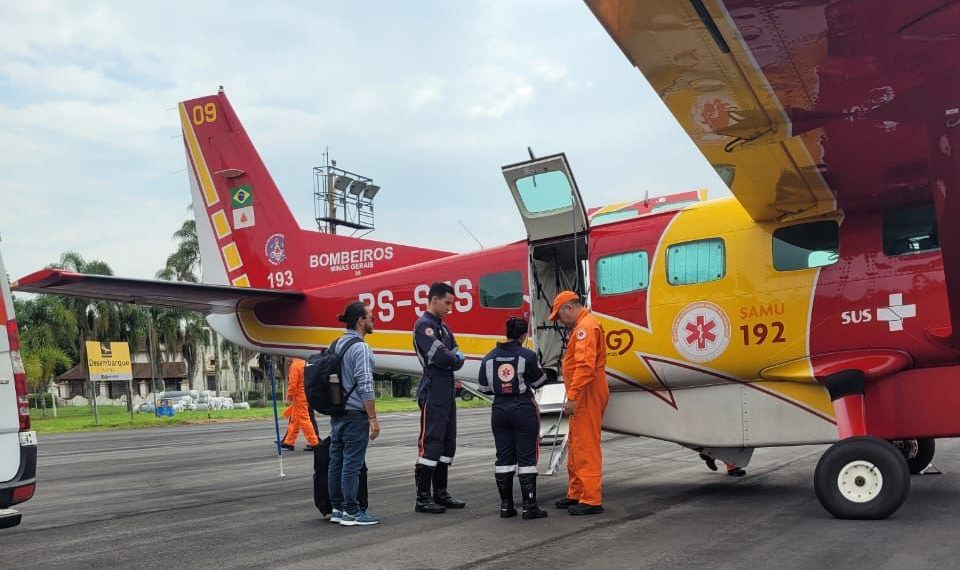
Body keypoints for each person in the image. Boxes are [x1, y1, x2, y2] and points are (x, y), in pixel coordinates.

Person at [478, 317, 549, 520]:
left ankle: (506, 506)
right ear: (523, 336)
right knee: (526, 457)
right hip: (522, 408)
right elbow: (538, 381)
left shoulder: (489, 357)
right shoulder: (527, 355)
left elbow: (484, 388)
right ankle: (529, 506)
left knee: (504, 457)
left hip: (499, 410)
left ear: (507, 334)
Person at [550, 291, 609, 516]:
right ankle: (577, 492)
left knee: (586, 445)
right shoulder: (583, 326)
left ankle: (591, 499)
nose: (560, 321)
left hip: (586, 391)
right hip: (583, 390)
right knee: (576, 443)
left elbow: (585, 367)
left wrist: (573, 396)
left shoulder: (586, 327)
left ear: (569, 307)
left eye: (559, 315)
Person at [412, 282, 467, 514]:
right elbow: (443, 356)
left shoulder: (443, 328)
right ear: (434, 300)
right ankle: (423, 497)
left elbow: (457, 354)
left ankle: (440, 493)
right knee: (432, 440)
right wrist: (453, 357)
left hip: (446, 387)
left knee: (447, 441)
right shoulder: (424, 325)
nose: (449, 308)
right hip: (434, 385)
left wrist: (453, 357)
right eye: (447, 303)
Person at [327, 301, 381, 527]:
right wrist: (373, 418)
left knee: (336, 462)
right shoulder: (360, 348)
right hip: (355, 414)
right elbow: (365, 383)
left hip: (337, 412)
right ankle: (352, 511)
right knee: (352, 463)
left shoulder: (336, 344)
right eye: (370, 317)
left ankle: (338, 508)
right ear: (361, 320)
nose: (373, 320)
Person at [281, 358, 319, 451]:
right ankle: (289, 442)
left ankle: (314, 443)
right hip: (305, 394)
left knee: (304, 420)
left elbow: (292, 384)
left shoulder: (295, 366)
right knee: (295, 419)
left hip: (299, 397)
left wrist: (288, 398)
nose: (286, 358)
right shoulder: (305, 363)